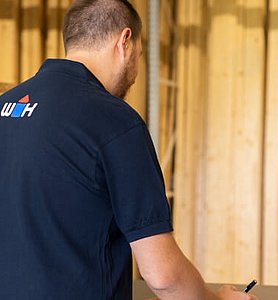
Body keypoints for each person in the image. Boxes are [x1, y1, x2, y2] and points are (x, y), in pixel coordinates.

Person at [0, 1, 256, 299]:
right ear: (124, 42)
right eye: (140, 55)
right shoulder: (115, 120)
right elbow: (163, 275)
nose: (135, 73)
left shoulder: (7, 104)